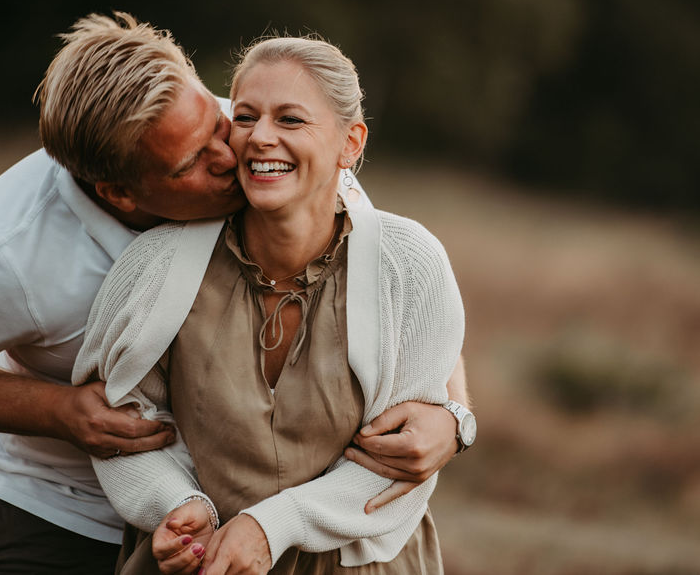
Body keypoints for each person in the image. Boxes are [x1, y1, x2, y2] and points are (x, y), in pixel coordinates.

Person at [0, 14, 472, 574]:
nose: (233, 155)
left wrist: (451, 413)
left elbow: (400, 302)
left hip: (242, 525)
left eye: (217, 121)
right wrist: (65, 412)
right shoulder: (8, 249)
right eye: (193, 161)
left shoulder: (255, 136)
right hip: (62, 504)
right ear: (121, 193)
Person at [74, 35, 470, 574]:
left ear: (350, 143)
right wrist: (175, 505)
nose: (260, 138)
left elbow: (398, 463)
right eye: (244, 117)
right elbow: (121, 426)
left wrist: (271, 526)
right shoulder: (154, 264)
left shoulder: (409, 264)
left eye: (290, 120)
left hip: (355, 563)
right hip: (202, 563)